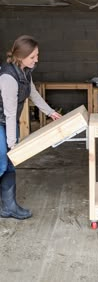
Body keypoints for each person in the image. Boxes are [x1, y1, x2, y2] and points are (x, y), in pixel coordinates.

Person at [0, 35, 61, 220]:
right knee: (2, 164)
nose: (37, 60)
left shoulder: (25, 72)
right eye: (33, 56)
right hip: (2, 121)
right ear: (21, 55)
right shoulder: (8, 77)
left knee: (10, 165)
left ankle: (9, 207)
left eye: (37, 55)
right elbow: (10, 112)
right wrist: (12, 143)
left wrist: (50, 112)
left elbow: (33, 94)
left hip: (7, 122)